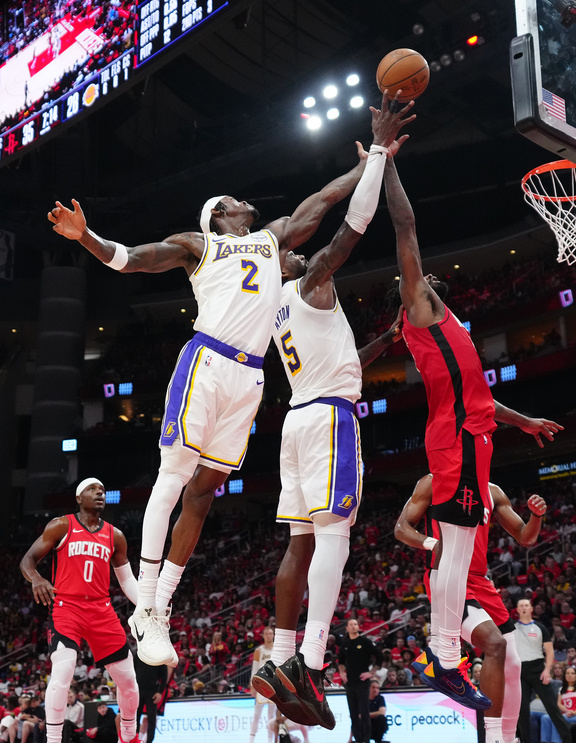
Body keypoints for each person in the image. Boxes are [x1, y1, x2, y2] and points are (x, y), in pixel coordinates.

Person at [48, 119, 406, 670]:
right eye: (235, 199)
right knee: (173, 478)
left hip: (251, 378)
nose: (246, 201)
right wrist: (87, 238)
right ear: (218, 214)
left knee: (204, 492)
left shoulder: (271, 241)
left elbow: (321, 203)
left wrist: (369, 163)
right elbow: (136, 258)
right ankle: (147, 606)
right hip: (207, 361)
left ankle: (163, 601)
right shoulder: (201, 244)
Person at [250, 93, 414, 730]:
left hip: (299, 418)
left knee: (300, 541)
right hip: (328, 420)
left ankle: (280, 656)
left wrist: (382, 342)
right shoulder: (310, 279)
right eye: (288, 250)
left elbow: (336, 358)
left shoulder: (276, 314)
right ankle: (310, 663)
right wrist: (376, 155)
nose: (295, 248)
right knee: (336, 537)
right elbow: (356, 225)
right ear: (286, 265)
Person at [382, 153, 562, 710]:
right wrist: (386, 164)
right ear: (410, 300)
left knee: (460, 543)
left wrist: (523, 420)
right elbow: (406, 227)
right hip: (455, 438)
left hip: (475, 433)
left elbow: (483, 400)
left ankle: (441, 652)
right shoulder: (420, 312)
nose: (431, 278)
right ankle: (440, 651)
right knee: (455, 544)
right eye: (422, 280)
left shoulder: (451, 322)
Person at [394, 474, 548, 743]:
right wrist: (430, 543)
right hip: (449, 579)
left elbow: (526, 536)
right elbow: (401, 528)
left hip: (481, 581)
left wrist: (536, 517)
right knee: (495, 645)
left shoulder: (493, 490)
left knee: (514, 664)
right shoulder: (432, 482)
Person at [20, 477, 156, 743]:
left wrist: (147, 606)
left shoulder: (115, 535)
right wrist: (38, 579)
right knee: (62, 672)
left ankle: (130, 739)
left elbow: (127, 580)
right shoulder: (61, 525)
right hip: (67, 607)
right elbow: (28, 560)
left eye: (103, 491)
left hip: (101, 610)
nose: (100, 494)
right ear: (79, 497)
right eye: (93, 490)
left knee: (129, 683)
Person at [515, 599, 576, 743]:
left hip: (538, 669)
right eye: (521, 605)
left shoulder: (540, 627)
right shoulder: (512, 627)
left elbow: (549, 652)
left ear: (531, 609)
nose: (523, 607)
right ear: (517, 609)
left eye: (526, 605)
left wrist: (547, 670)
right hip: (520, 670)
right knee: (522, 711)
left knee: (552, 708)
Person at [337, 619, 379, 743]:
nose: (354, 626)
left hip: (362, 683)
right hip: (350, 684)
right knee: (353, 714)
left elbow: (380, 656)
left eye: (356, 624)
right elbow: (340, 661)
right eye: (351, 624)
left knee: (364, 712)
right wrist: (342, 673)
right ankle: (358, 741)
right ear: (347, 628)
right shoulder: (345, 644)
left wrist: (371, 673)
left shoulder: (365, 642)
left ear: (358, 627)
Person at [541, 665, 576, 743]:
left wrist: (574, 712)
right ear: (565, 676)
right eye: (567, 673)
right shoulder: (561, 689)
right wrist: (567, 711)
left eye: (572, 673)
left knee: (559, 718)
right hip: (566, 714)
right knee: (545, 717)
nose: (570, 675)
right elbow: (559, 704)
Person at [245, 627, 277, 743]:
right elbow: (254, 669)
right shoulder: (259, 651)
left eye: (271, 634)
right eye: (267, 634)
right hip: (261, 685)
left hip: (274, 685)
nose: (269, 636)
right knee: (256, 715)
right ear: (263, 636)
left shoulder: (278, 650)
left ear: (273, 635)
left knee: (271, 716)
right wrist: (252, 685)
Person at [134, 655, 171, 743]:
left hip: (152, 691)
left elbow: (164, 677)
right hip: (138, 690)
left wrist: (160, 692)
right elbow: (131, 672)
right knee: (135, 718)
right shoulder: (137, 656)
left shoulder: (158, 657)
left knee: (151, 718)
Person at [368, 679, 387, 743]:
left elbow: (382, 712)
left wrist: (367, 715)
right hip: (366, 725)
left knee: (382, 718)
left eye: (377, 688)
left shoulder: (380, 698)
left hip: (376, 725)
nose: (376, 690)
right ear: (368, 688)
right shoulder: (364, 699)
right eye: (373, 687)